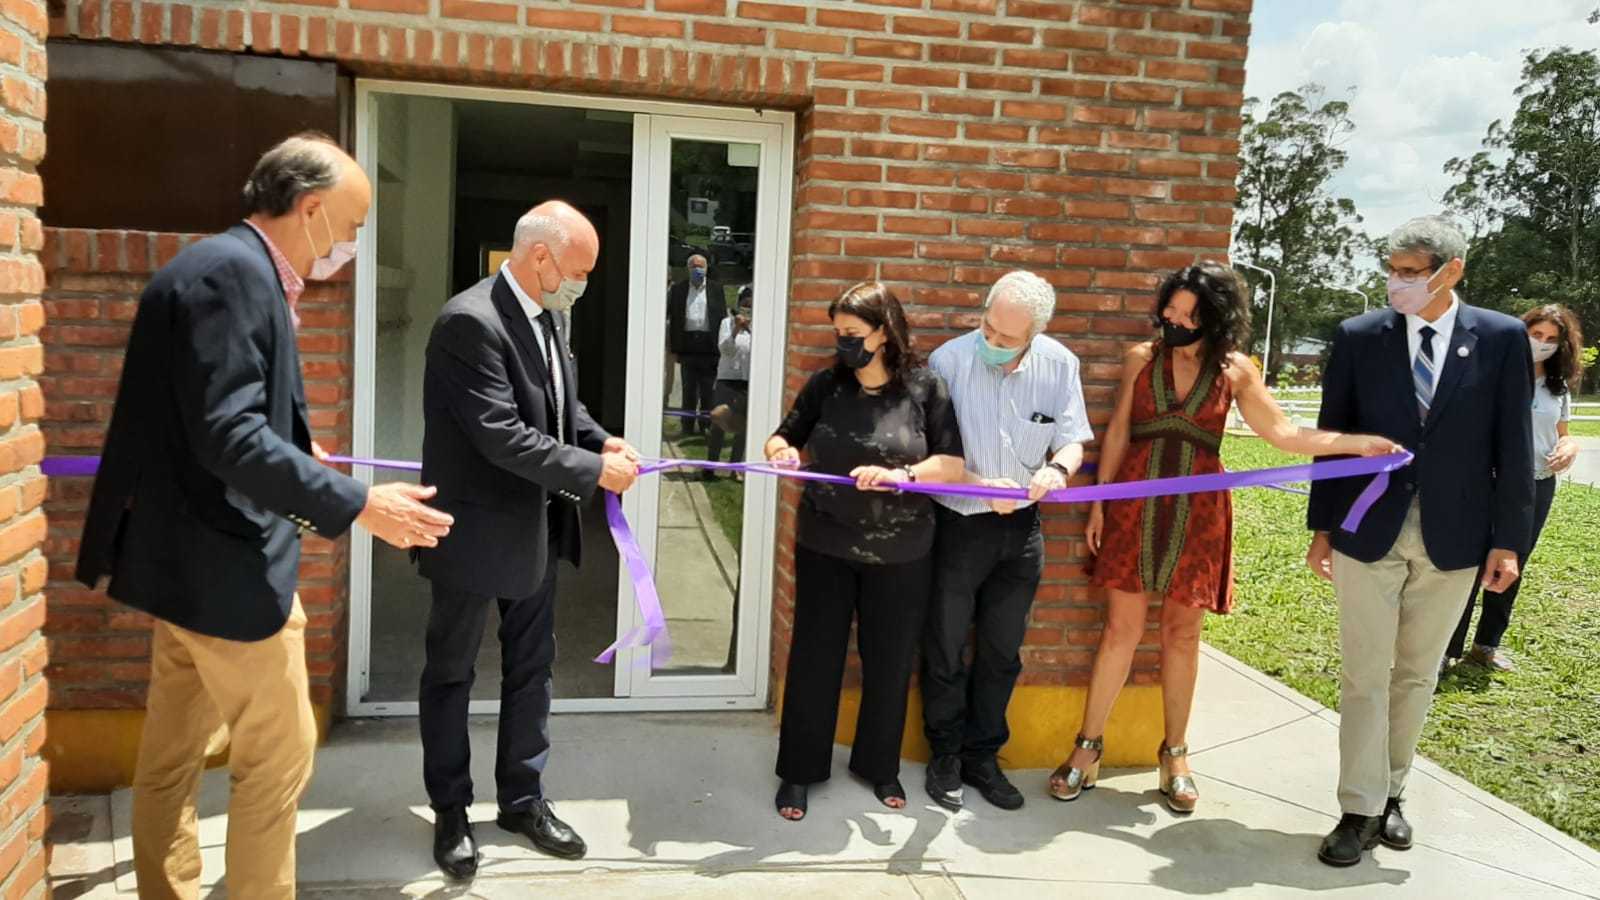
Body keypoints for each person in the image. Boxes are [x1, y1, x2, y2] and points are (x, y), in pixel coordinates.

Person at [74, 133, 454, 900]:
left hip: (181, 574)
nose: (349, 246)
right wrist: (357, 503)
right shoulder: (235, 276)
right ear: (310, 210)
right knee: (279, 758)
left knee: (171, 756)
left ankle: (166, 888)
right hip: (224, 576)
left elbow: (211, 423)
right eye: (349, 228)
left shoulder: (213, 266)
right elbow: (231, 434)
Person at [1052, 262, 1397, 816]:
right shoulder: (1142, 359)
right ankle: (1087, 748)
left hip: (1200, 514)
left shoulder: (1236, 370)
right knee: (1121, 628)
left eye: (1189, 315)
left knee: (1183, 635)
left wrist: (1357, 445)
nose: (1175, 321)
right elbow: (1118, 429)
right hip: (1133, 507)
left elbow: (1284, 434)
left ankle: (1176, 756)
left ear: (1214, 318)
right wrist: (1098, 501)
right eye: (1171, 310)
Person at [416, 201, 640, 878]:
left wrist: (602, 439)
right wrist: (593, 470)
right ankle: (451, 811)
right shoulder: (469, 322)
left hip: (538, 527)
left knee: (531, 668)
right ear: (540, 256)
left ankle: (522, 797)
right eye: (579, 270)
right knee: (452, 673)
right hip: (473, 531)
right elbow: (500, 433)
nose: (582, 284)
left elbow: (558, 404)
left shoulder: (549, 318)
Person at [1306, 215, 1534, 867]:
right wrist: (1322, 527)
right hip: (1366, 526)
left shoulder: (1500, 338)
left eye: (1412, 272)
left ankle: (1393, 792)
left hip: (1457, 534)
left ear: (1451, 271)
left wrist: (1509, 542)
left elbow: (1514, 446)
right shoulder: (1359, 337)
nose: (1397, 283)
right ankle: (1357, 806)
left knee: (1416, 673)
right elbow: (1332, 437)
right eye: (1393, 270)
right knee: (1363, 673)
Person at [764, 282, 965, 821]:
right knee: (814, 659)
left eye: (853, 334)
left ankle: (880, 767)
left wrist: (902, 475)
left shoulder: (925, 389)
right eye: (838, 334)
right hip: (824, 543)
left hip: (903, 553)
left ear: (883, 332)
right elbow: (782, 436)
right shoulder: (826, 385)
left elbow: (952, 466)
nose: (843, 344)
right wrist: (781, 452)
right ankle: (799, 773)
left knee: (890, 660)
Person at [921, 271, 1093, 813]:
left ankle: (982, 756)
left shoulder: (1060, 365)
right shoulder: (948, 361)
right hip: (957, 525)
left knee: (1001, 651)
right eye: (986, 328)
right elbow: (930, 454)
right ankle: (945, 756)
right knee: (945, 646)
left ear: (1036, 335)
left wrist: (1059, 472)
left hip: (1022, 534)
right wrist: (977, 486)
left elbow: (1072, 440)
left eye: (1006, 338)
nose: (991, 342)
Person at [1445, 304, 1583, 672]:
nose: (1542, 344)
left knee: (1511, 565)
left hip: (1535, 488)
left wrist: (1570, 446)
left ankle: (1486, 646)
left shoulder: (1558, 387)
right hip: (1487, 483)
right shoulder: (1491, 375)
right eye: (1535, 335)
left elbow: (1562, 433)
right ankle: (1445, 649)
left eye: (1552, 340)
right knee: (1470, 563)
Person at [665, 254, 726, 435]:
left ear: (706, 269)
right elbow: (672, 317)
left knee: (708, 391)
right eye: (693, 266)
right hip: (688, 345)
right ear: (688, 269)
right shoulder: (678, 289)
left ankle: (706, 425)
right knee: (688, 389)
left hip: (709, 345)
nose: (697, 270)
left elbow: (721, 317)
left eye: (700, 266)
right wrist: (674, 347)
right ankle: (687, 426)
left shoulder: (716, 289)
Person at [706, 283, 753, 475]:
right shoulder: (726, 322)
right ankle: (711, 467)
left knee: (742, 426)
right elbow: (725, 350)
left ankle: (736, 468)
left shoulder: (757, 325)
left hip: (747, 380)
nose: (747, 308)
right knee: (718, 423)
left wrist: (749, 328)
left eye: (750, 305)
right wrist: (735, 329)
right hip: (727, 379)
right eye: (744, 304)